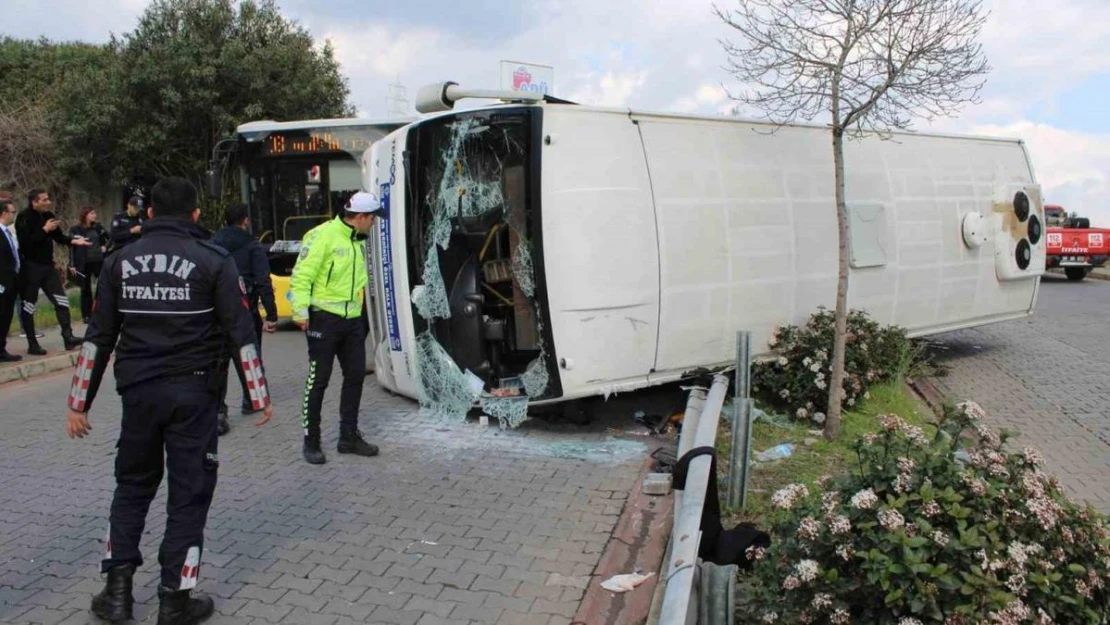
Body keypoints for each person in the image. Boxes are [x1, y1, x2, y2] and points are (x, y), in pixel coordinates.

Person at [65, 176, 274, 625]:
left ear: (151, 214)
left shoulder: (121, 261)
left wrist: (78, 402)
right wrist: (259, 397)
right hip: (195, 395)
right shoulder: (214, 260)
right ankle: (175, 600)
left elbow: (98, 337)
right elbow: (242, 332)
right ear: (197, 215)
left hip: (138, 396)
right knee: (189, 494)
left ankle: (117, 593)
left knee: (133, 486)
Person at [290, 190, 380, 464]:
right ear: (361, 217)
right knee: (319, 380)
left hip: (352, 319)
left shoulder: (358, 240)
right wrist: (300, 311)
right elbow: (302, 275)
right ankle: (311, 441)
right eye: (373, 218)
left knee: (354, 376)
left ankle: (348, 437)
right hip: (323, 319)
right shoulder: (322, 235)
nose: (374, 223)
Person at [211, 203, 278, 435]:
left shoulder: (212, 245)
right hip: (244, 309)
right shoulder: (252, 245)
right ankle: (253, 399)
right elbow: (263, 280)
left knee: (220, 362)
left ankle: (218, 411)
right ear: (245, 221)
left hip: (216, 312)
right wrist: (271, 313)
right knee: (249, 353)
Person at [15, 188, 92, 354]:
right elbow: (26, 243)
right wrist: (44, 229)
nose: (48, 202)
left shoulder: (49, 216)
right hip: (31, 268)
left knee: (61, 301)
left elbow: (59, 237)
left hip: (48, 268)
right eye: (44, 200)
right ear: (34, 202)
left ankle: (68, 337)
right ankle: (33, 344)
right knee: (28, 306)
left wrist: (74, 241)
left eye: (48, 199)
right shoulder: (23, 217)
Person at [69, 206, 109, 324]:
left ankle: (101, 311)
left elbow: (110, 237)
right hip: (83, 262)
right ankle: (86, 315)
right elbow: (71, 247)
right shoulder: (76, 229)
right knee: (85, 289)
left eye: (94, 213)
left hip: (98, 260)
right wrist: (72, 264)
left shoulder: (98, 227)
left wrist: (105, 247)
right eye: (92, 213)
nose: (94, 215)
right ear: (85, 215)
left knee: (103, 286)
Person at [0, 198, 21, 362]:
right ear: (4, 213)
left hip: (11, 282)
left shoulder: (8, 232)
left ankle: (1, 349)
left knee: (6, 316)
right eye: (12, 212)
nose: (14, 215)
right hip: (1, 284)